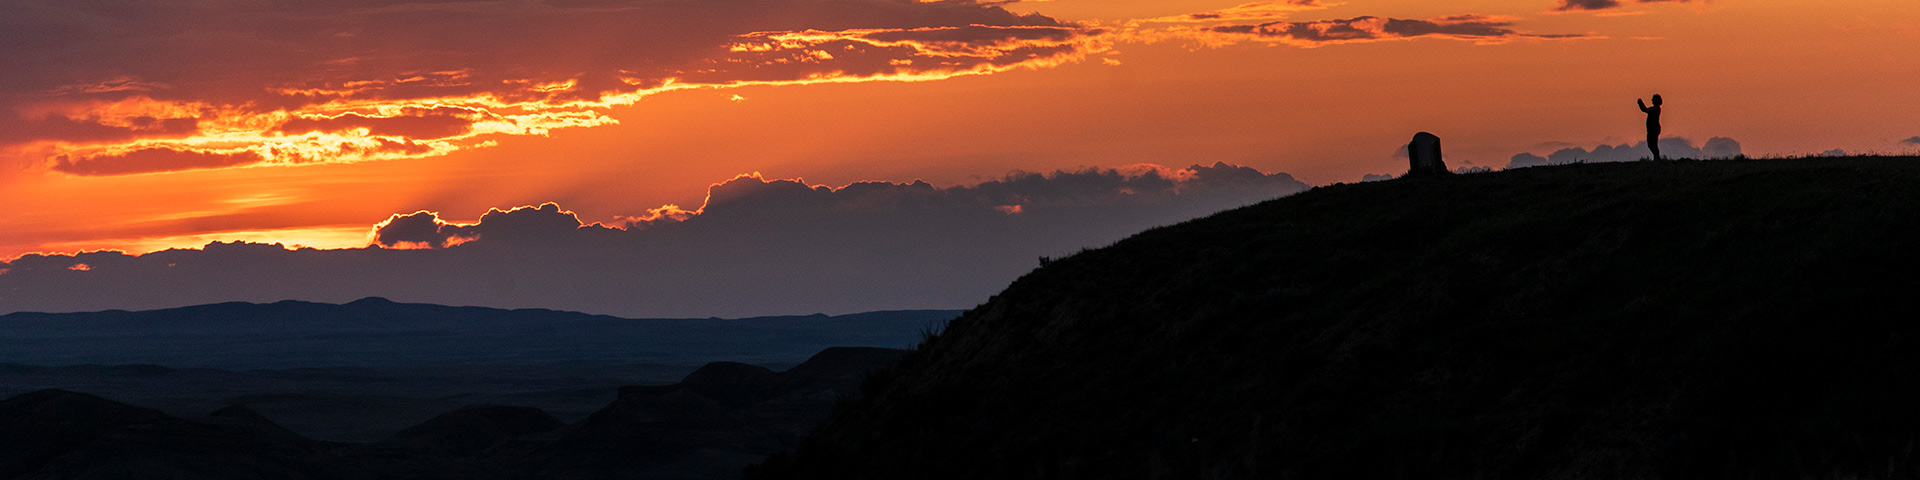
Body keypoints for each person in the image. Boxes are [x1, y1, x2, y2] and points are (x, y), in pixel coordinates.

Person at [1637, 94, 1662, 160]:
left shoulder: (1656, 109)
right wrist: (1640, 104)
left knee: (1653, 145)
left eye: (1653, 99)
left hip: (1654, 129)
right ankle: (1656, 157)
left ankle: (1657, 157)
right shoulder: (1654, 108)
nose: (1652, 100)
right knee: (1651, 145)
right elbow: (1645, 110)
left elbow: (1645, 110)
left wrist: (1640, 103)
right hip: (1651, 129)